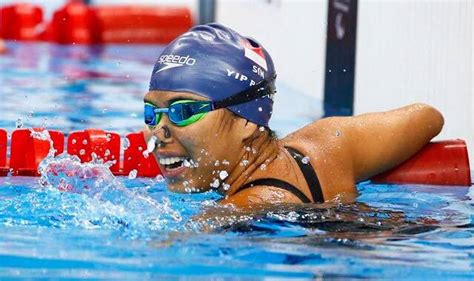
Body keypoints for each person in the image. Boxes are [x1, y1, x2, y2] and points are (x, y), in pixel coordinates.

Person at [143, 23, 444, 209]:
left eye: (185, 111)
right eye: (152, 114)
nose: (159, 133)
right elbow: (428, 117)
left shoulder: (236, 211)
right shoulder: (328, 144)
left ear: (247, 120)